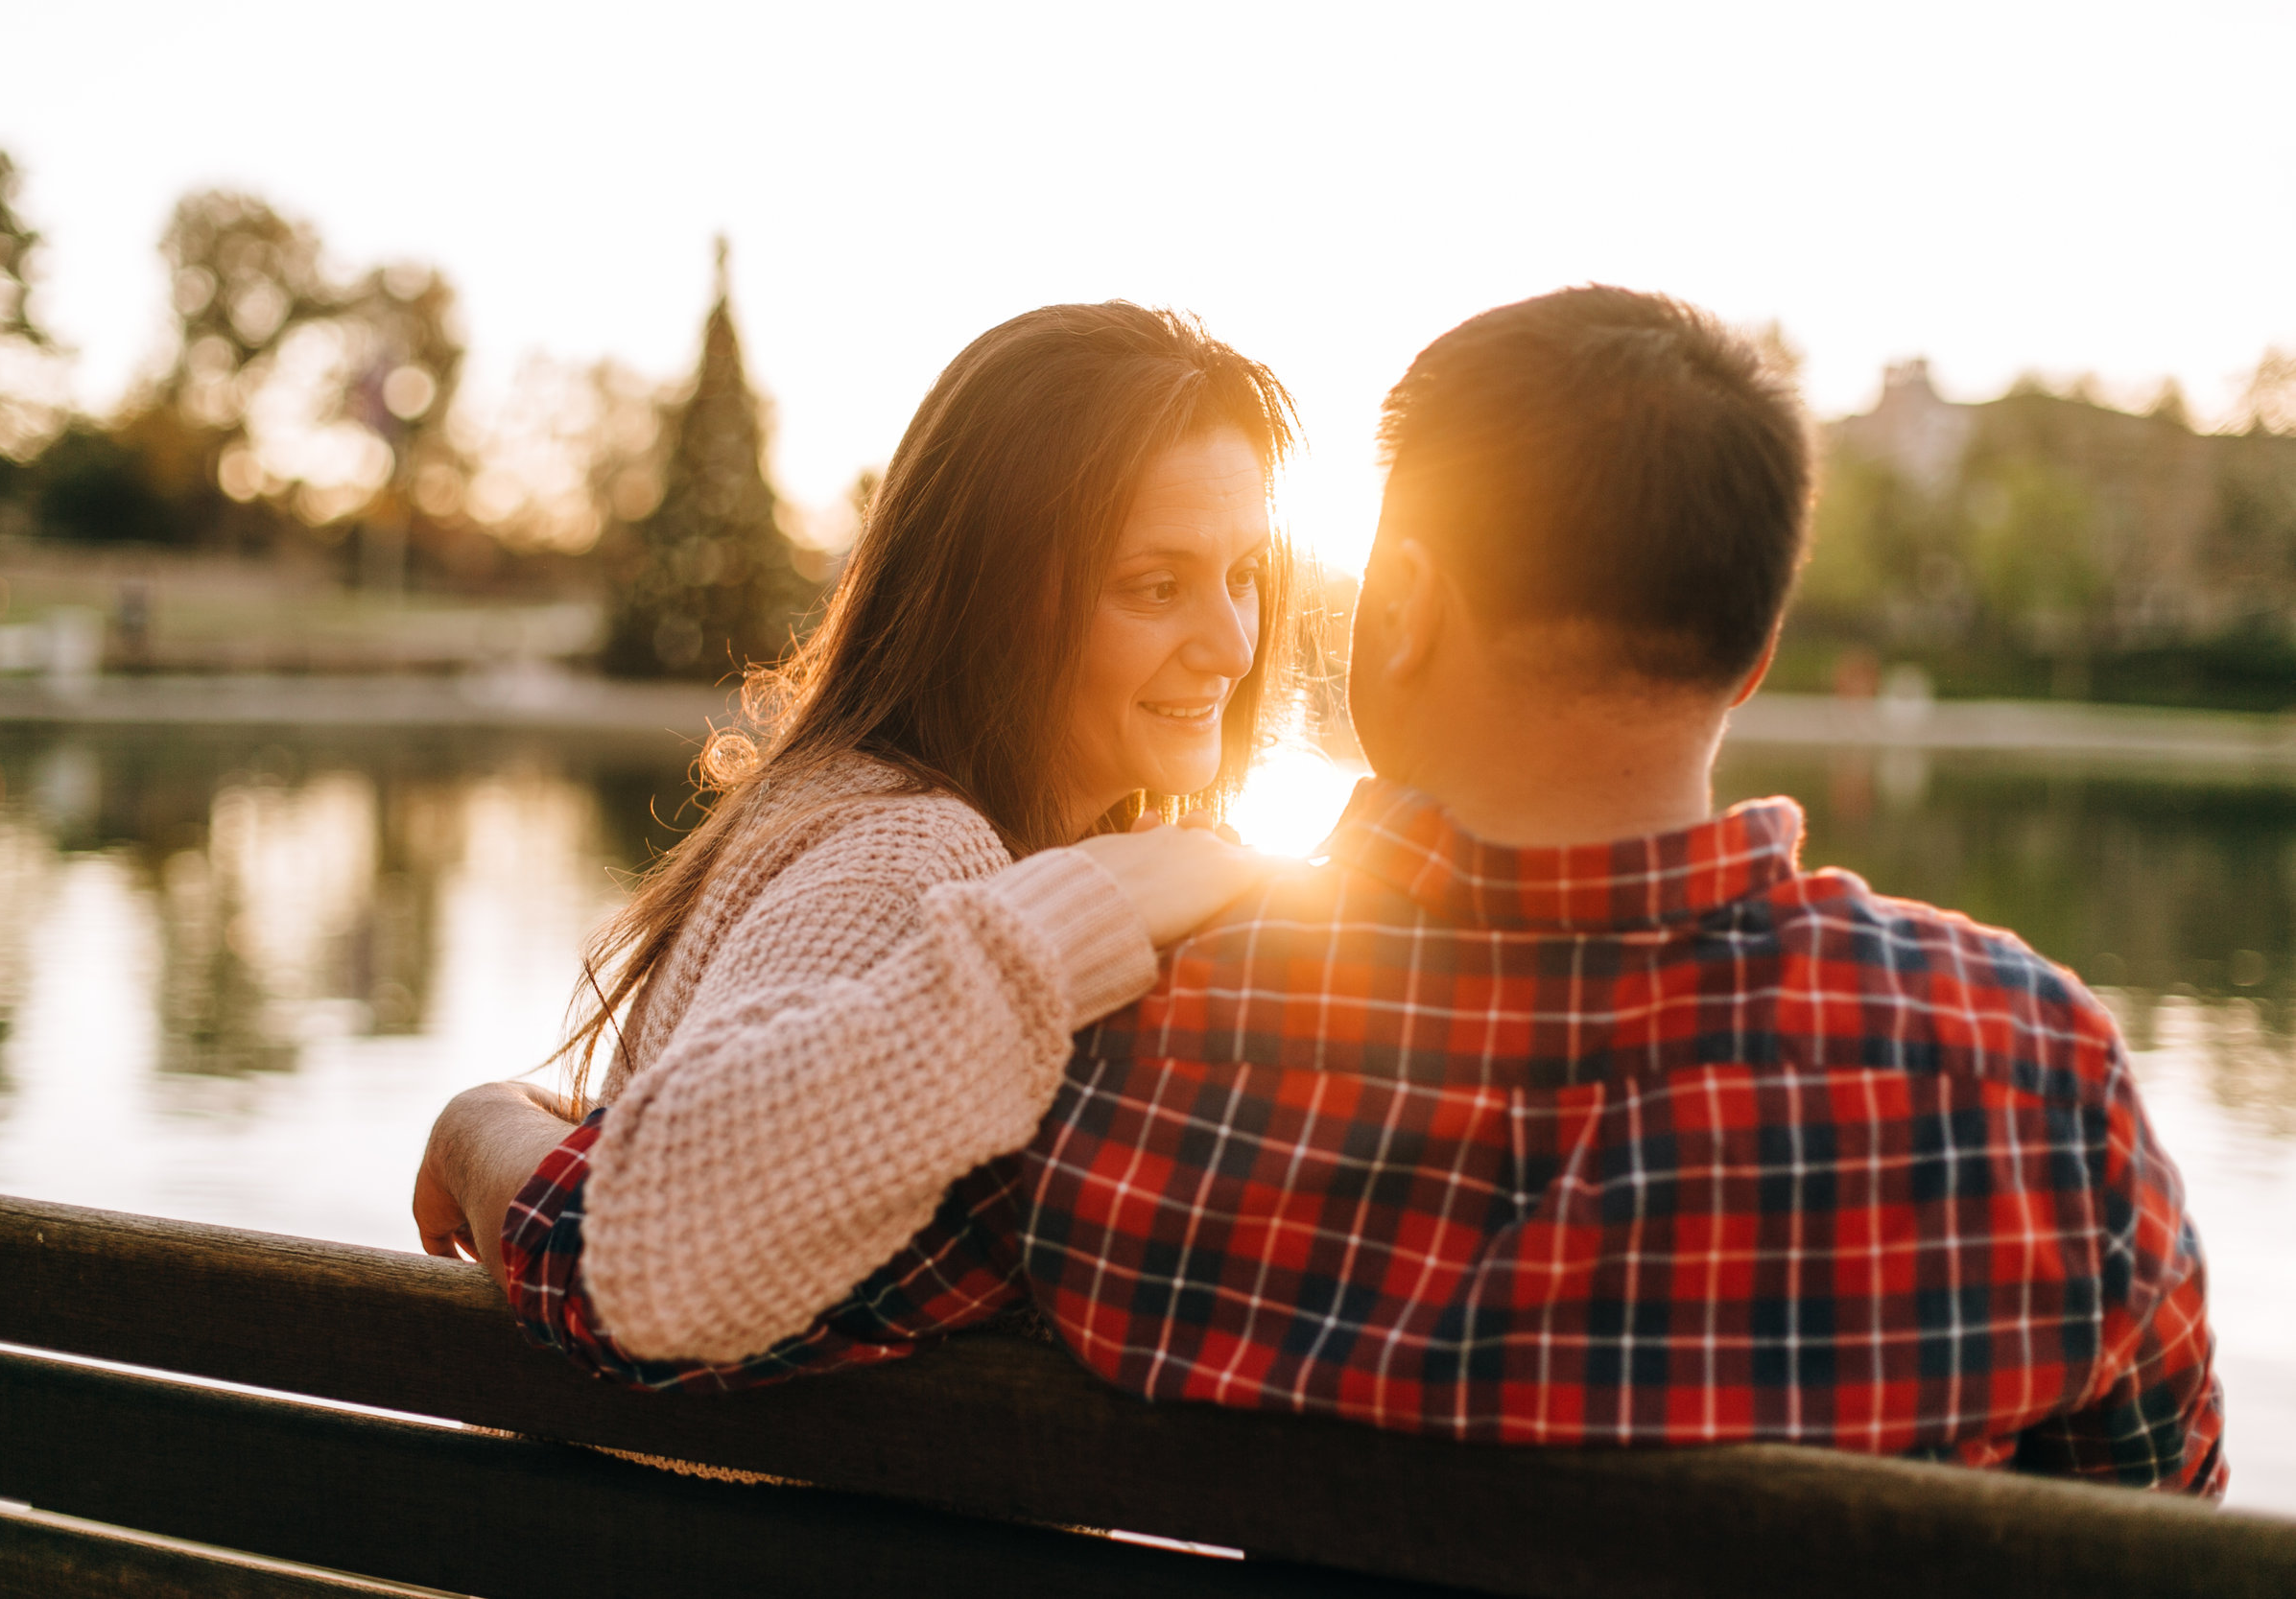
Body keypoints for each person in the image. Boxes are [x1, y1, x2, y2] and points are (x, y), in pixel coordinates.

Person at [493, 287, 2227, 1494]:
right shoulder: (2035, 1079)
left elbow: (640, 1278)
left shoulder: (1152, 1058)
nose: (1240, 638)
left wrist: (494, 1142)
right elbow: (2156, 1535)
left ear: (1393, 605)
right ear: (1758, 645)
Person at [413, 301, 1297, 1363]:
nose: (1234, 644)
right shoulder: (914, 854)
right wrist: (479, 1124)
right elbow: (625, 1247)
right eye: (1156, 586)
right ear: (993, 599)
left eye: (1243, 573)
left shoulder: (867, 808)